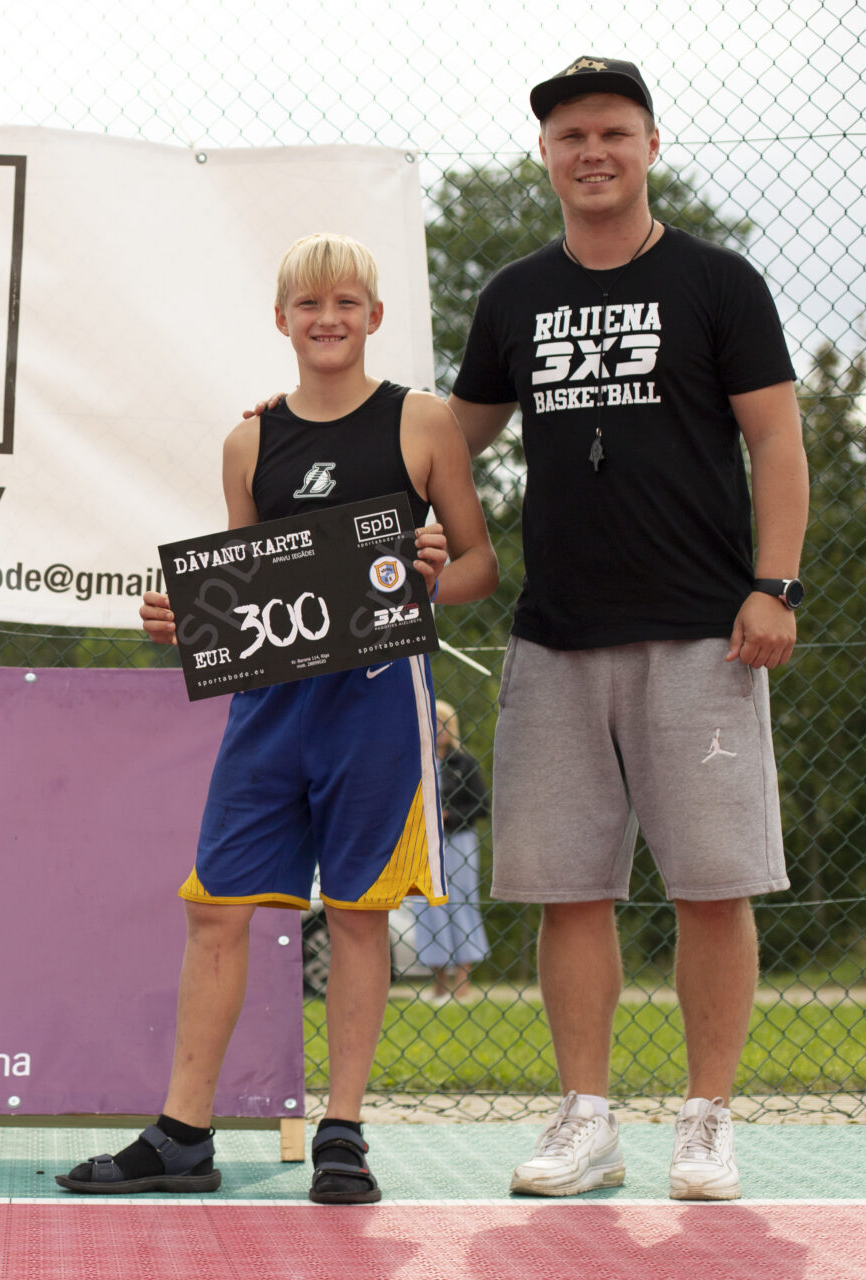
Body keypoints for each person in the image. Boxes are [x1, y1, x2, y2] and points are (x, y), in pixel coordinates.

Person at [56, 233, 498, 1203]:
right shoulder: (249, 441)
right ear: (281, 319)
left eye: (345, 302)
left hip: (376, 704)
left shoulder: (422, 422)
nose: (327, 317)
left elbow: (480, 564)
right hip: (273, 708)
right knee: (214, 905)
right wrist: (190, 620)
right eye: (309, 303)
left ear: (374, 315)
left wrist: (427, 582)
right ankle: (183, 1133)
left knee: (359, 912)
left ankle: (343, 1130)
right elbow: (246, 589)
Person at [445, 57, 807, 1200]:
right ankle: (587, 1120)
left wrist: (776, 585)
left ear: (651, 143)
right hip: (556, 635)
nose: (591, 152)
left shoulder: (717, 282)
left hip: (704, 632)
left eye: (612, 131)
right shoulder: (513, 296)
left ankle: (706, 1120)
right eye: (570, 136)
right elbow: (443, 441)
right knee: (569, 889)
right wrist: (315, 413)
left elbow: (778, 441)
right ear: (545, 155)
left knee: (712, 884)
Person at [411, 700, 490, 1001]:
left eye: (444, 721)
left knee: (461, 904)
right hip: (424, 843)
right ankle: (439, 985)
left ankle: (462, 985)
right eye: (434, 721)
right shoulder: (416, 761)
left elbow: (481, 805)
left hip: (459, 842)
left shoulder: (463, 763)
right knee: (429, 907)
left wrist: (449, 816)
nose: (439, 727)